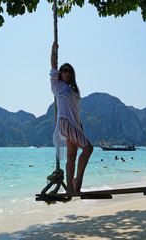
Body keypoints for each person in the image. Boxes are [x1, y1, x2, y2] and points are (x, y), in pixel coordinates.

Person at [50, 42, 93, 194]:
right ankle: (77, 182)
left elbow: (77, 112)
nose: (66, 73)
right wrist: (53, 50)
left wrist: (81, 128)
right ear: (61, 73)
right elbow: (53, 67)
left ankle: (70, 188)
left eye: (69, 71)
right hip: (65, 122)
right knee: (88, 148)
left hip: (74, 124)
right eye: (64, 71)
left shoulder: (74, 91)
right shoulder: (58, 86)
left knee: (72, 157)